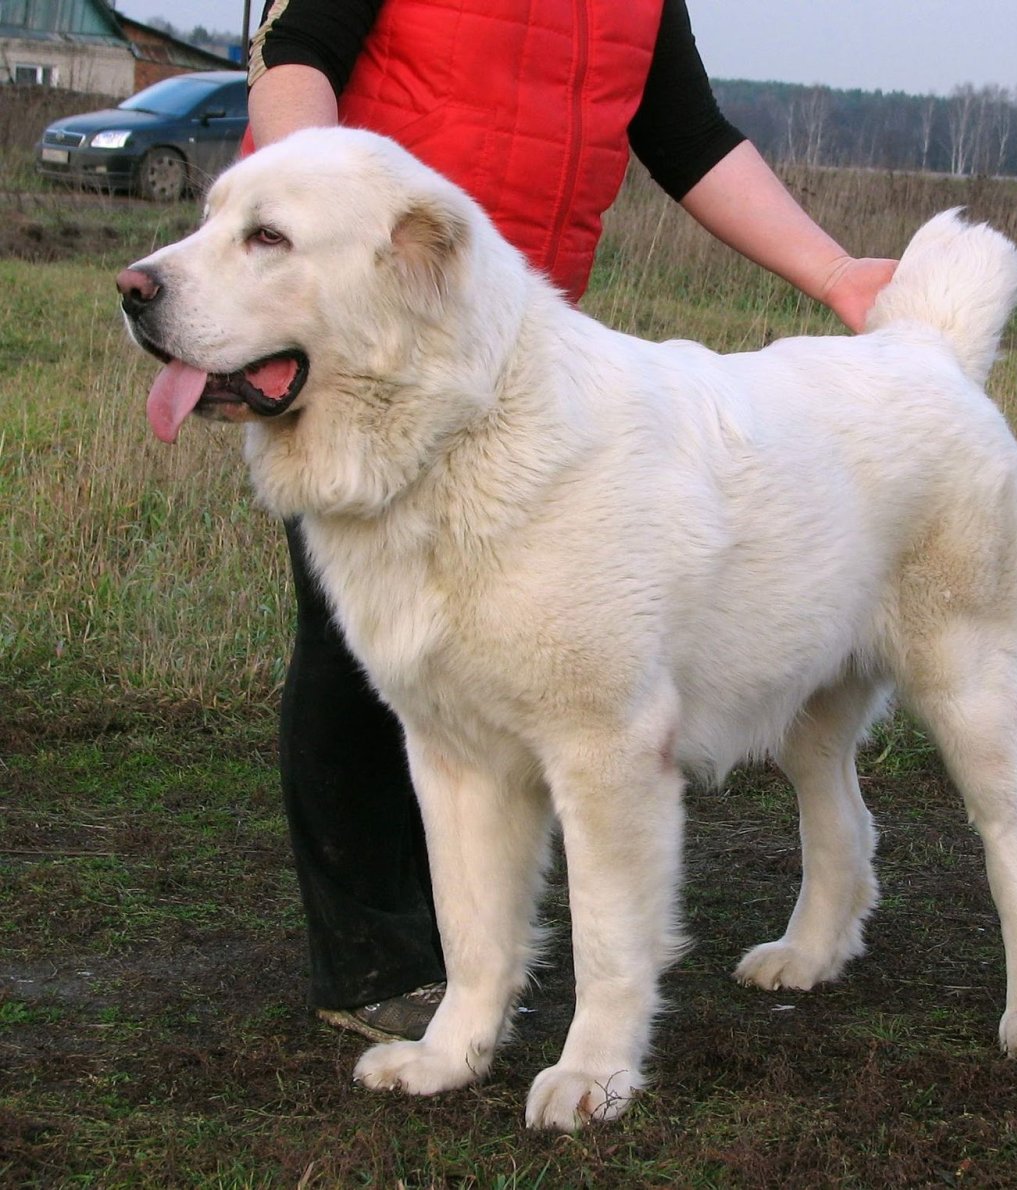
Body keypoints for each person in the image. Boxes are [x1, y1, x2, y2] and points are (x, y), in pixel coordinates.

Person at [247, 0, 898, 1044]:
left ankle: (485, 959)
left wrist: (835, 273)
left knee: (526, 668)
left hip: (519, 349)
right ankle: (379, 958)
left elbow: (688, 138)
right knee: (372, 654)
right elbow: (296, 56)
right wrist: (301, 208)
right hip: (367, 334)